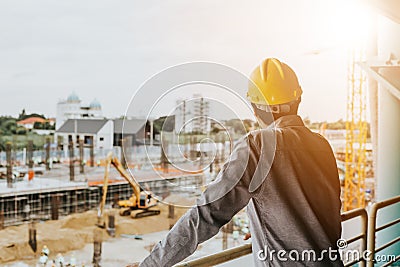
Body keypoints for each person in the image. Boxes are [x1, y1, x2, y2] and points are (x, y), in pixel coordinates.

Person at [130, 58, 343, 266]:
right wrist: (267, 227)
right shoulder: (322, 145)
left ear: (255, 108)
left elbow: (206, 215)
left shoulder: (257, 146)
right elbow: (325, 212)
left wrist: (150, 264)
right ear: (298, 100)